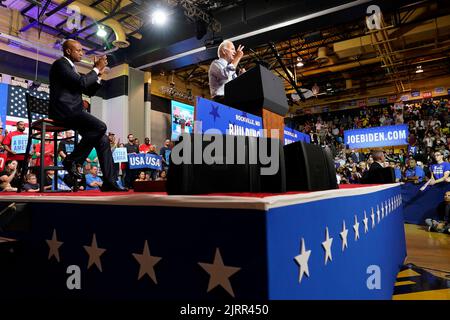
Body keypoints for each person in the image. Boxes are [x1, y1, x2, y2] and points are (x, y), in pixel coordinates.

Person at [49, 39, 126, 191]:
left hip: (74, 112)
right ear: (68, 51)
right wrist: (96, 69)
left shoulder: (71, 68)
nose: (82, 53)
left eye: (82, 50)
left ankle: (109, 182)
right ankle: (72, 160)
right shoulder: (60, 64)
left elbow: (87, 90)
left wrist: (99, 75)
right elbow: (82, 83)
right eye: (78, 50)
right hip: (65, 112)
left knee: (103, 140)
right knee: (101, 127)